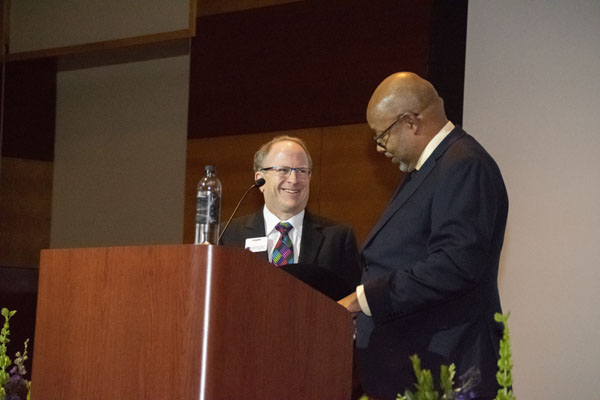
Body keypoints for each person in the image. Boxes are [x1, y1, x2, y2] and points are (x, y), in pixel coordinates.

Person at [339, 72, 509, 400]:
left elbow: (454, 265)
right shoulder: (432, 167)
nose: (378, 147)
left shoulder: (463, 164)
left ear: (411, 122)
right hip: (417, 370)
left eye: (382, 135)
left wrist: (365, 300)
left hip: (448, 370)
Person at [220, 135, 362, 300]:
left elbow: (353, 303)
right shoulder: (228, 235)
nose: (294, 180)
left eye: (301, 171)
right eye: (283, 170)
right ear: (260, 180)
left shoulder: (338, 238)